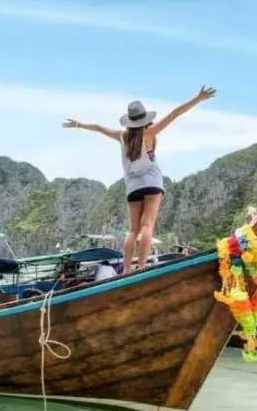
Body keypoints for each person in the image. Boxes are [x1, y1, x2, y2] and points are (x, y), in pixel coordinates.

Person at [63, 86, 217, 273]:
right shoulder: (150, 133)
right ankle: (142, 266)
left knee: (133, 229)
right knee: (147, 224)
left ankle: (127, 270)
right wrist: (197, 99)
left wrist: (79, 124)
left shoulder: (122, 136)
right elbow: (174, 114)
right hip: (152, 182)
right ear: (145, 119)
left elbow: (99, 128)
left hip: (133, 186)